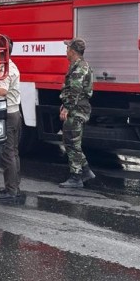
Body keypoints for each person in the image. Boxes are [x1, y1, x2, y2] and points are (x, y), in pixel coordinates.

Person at [58, 38, 96, 188]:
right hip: (78, 107)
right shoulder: (78, 66)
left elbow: (75, 90)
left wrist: (67, 107)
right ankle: (86, 171)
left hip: (76, 110)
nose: (66, 51)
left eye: (67, 49)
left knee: (72, 143)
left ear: (73, 51)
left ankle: (76, 177)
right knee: (72, 141)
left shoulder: (79, 68)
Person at [0, 36, 24, 205]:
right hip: (15, 113)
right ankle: (14, 188)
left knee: (7, 153)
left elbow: (2, 90)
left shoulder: (6, 67)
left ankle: (11, 192)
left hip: (8, 114)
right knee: (14, 152)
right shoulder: (13, 65)